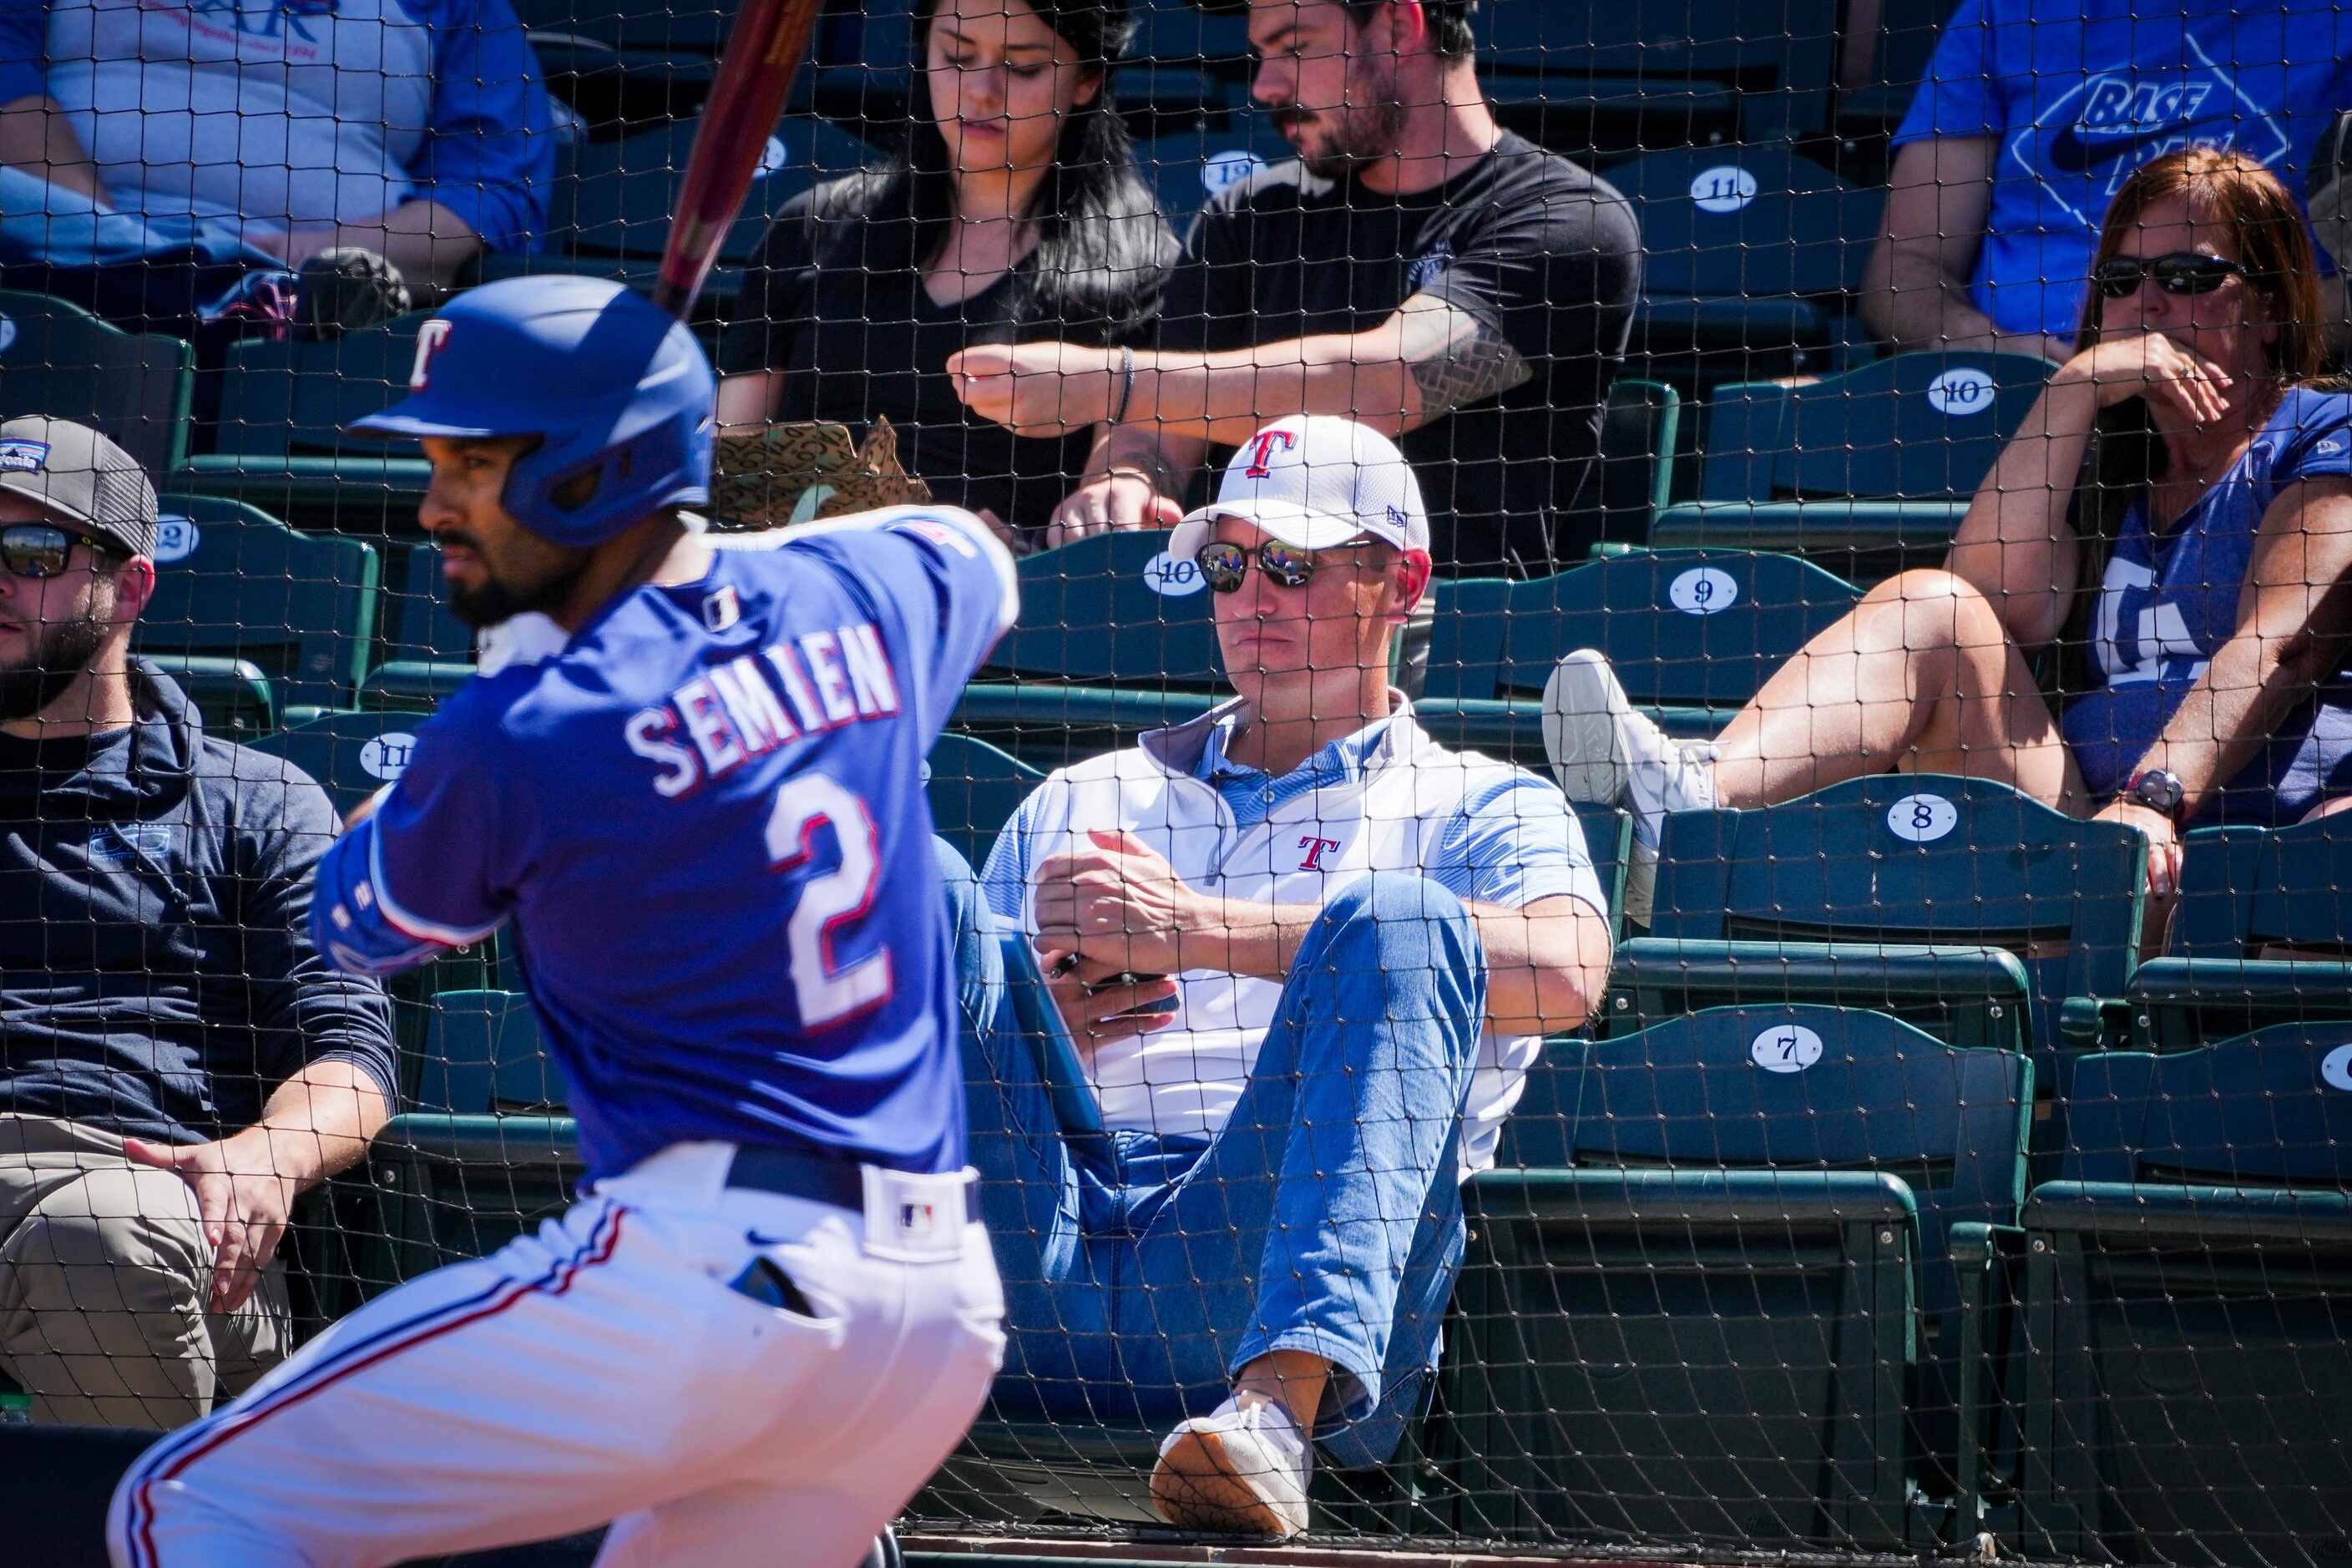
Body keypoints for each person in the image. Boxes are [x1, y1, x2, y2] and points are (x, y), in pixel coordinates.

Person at [108, 276, 1014, 1566]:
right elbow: (975, 558)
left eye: (472, 465)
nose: (432, 507)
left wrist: (496, 709)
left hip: (711, 1278)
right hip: (931, 1320)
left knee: (188, 1504)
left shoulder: (526, 725)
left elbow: (366, 926)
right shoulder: (873, 583)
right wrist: (716, 604)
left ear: (596, 471)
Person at [966, 416, 1614, 1537]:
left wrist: (1200, 928)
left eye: (1293, 564)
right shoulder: (1075, 794)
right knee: (923, 900)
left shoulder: (1482, 799)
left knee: (1402, 917)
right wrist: (1041, 1024)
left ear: (1399, 581)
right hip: (1033, 1251)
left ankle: (1271, 1415)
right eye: (1228, 564)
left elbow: (1565, 974)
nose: (1250, 595)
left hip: (1264, 1274)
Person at [1557, 149, 2352, 926]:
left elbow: (2282, 643)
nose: (2146, 303)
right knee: (1930, 605)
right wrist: (2071, 389)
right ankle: (1691, 814)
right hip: (2095, 848)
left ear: (2273, 309)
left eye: (2185, 277)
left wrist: (2153, 800)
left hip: (2265, 857)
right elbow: (1998, 606)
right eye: (2120, 280)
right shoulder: (2109, 469)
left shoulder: (2323, 437)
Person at [943, 0, 1641, 576]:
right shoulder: (1250, 216)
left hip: (1440, 638)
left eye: (1294, 47)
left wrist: (1106, 380)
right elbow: (1155, 439)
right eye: (1262, 55)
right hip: (1231, 616)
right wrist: (1126, 484)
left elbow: (1386, 384)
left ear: (1400, 25)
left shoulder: (1567, 218)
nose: (1264, 86)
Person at [0, 415, 396, 1428]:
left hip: (126, 1187)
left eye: (33, 551)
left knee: (100, 1236)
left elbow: (350, 1056)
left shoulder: (251, 800)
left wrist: (267, 1154)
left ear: (129, 587)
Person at [715, 0, 1173, 543]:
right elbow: (731, 466)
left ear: (1088, 79)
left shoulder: (1142, 263)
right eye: (956, 57)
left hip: (1011, 600)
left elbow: (1121, 469)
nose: (981, 91)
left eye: (1022, 66)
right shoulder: (812, 227)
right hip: (801, 580)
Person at [1863, 0, 2352, 362]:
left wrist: (2241, 346)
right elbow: (1907, 264)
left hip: (2248, 395)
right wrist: (1985, 347)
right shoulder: (2008, 11)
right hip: (2015, 394)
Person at [0, 0, 555, 311]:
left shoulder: (464, 7)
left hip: (297, 309)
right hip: (50, 254)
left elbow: (490, 193)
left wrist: (310, 257)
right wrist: (98, 231)